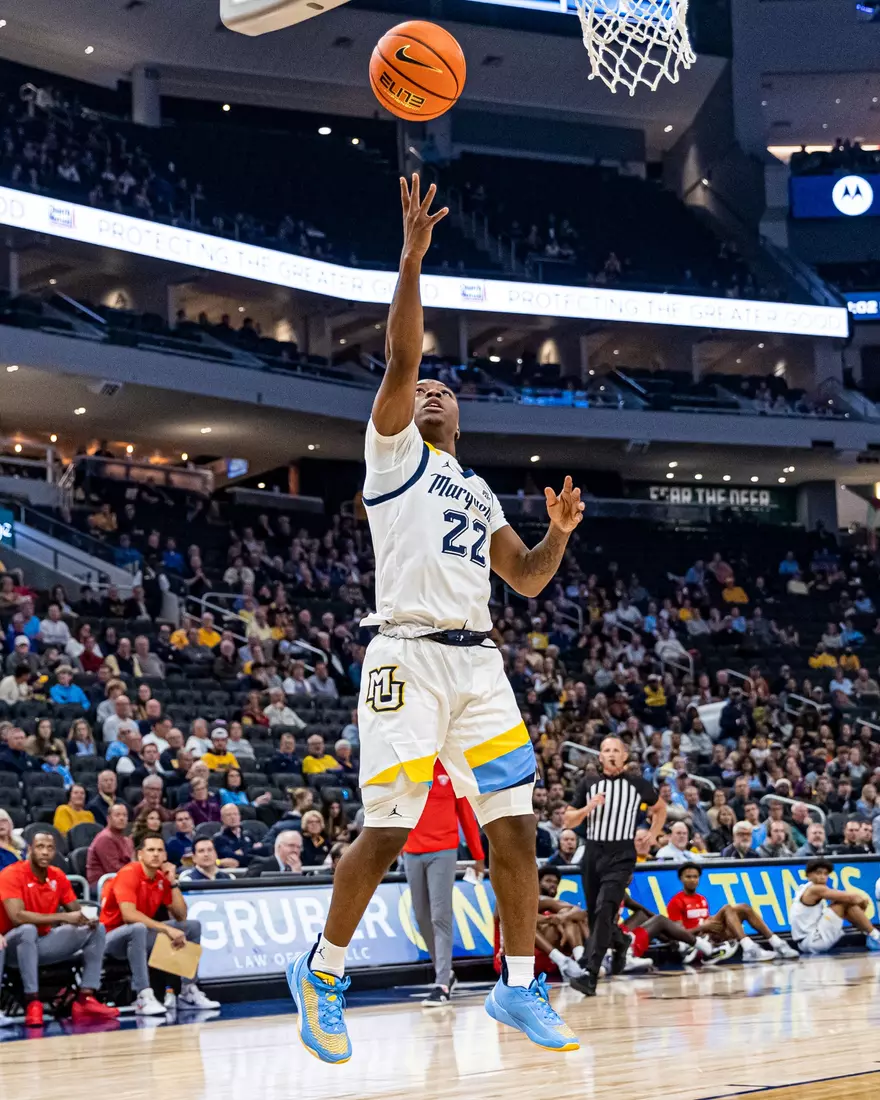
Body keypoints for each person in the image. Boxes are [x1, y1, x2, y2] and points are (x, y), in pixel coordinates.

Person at [285, 176, 585, 1063]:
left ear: (464, 413)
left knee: (517, 826)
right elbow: (400, 361)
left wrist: (557, 536)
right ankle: (324, 972)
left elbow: (525, 580)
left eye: (447, 391)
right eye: (426, 388)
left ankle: (519, 988)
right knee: (384, 830)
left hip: (479, 665)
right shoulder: (392, 454)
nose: (432, 392)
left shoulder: (480, 485)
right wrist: (412, 260)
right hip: (407, 659)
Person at [564, 737, 666, 997]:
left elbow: (660, 808)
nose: (610, 755)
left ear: (624, 756)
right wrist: (588, 807)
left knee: (605, 908)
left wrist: (652, 834)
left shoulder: (638, 784)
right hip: (592, 853)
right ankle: (622, 942)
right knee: (595, 915)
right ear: (599, 757)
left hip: (621, 854)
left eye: (615, 751)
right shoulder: (588, 784)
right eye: (606, 750)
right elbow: (568, 819)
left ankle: (590, 974)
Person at [0, 831, 119, 1026]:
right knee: (28, 929)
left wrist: (86, 917)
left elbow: (77, 911)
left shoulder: (57, 876)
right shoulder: (10, 875)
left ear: (55, 852)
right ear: (29, 850)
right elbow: (17, 916)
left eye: (49, 848)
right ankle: (32, 1002)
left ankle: (86, 998)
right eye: (40, 847)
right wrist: (64, 917)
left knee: (96, 928)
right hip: (11, 946)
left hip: (43, 942)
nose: (45, 852)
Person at [101, 834, 220, 1013]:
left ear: (165, 855)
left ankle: (188, 991)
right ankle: (143, 996)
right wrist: (166, 929)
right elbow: (129, 915)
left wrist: (172, 883)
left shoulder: (160, 878)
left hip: (140, 937)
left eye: (159, 850)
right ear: (140, 854)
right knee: (138, 927)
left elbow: (181, 915)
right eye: (151, 850)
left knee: (192, 926)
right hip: (111, 939)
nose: (156, 854)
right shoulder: (129, 873)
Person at [403, 759, 485, 1006]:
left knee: (441, 914)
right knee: (421, 916)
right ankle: (446, 972)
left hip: (444, 850)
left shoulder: (452, 769)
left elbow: (466, 816)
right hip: (411, 850)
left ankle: (441, 982)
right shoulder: (409, 767)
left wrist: (478, 855)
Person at [667, 863, 796, 962]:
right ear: (681, 879)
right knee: (727, 908)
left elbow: (705, 921)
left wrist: (708, 924)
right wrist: (703, 927)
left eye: (695, 877)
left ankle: (778, 944)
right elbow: (679, 934)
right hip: (697, 942)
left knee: (744, 907)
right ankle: (749, 948)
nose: (692, 880)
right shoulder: (676, 901)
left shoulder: (701, 898)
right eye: (688, 877)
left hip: (711, 935)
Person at [790, 857, 880, 955]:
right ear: (808, 875)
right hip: (812, 941)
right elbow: (853, 898)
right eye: (818, 873)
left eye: (825, 874)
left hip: (804, 942)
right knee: (844, 903)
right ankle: (875, 936)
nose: (822, 877)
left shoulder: (805, 888)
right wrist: (862, 906)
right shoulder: (816, 889)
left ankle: (869, 933)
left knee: (843, 904)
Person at [85, 803, 134, 886]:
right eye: (117, 815)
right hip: (102, 882)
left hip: (120, 878)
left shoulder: (126, 839)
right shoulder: (105, 838)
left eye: (125, 815)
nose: (122, 818)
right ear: (108, 819)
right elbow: (113, 868)